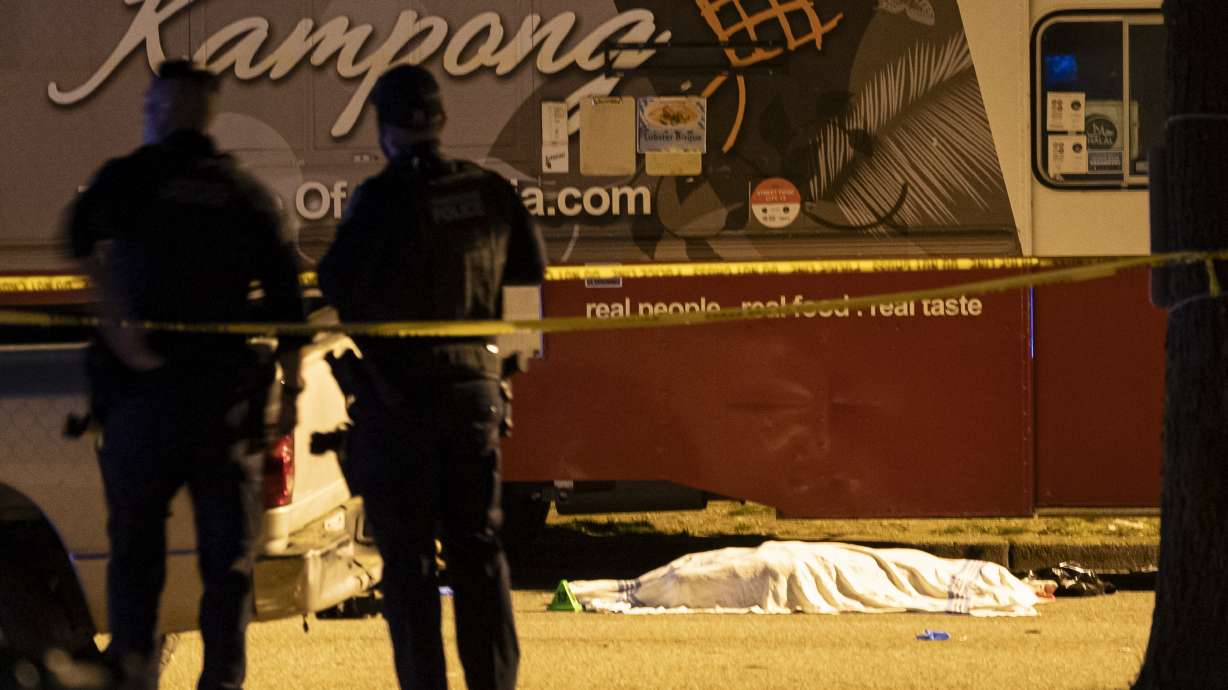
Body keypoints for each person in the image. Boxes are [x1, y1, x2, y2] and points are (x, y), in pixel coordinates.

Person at [66, 59, 306, 690]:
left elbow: (77, 245)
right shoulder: (245, 194)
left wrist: (120, 325)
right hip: (223, 409)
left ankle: (133, 674)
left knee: (136, 561)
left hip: (142, 404)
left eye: (151, 105)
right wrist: (291, 392)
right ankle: (222, 681)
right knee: (226, 565)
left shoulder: (128, 181)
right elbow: (289, 309)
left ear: (166, 111)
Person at [317, 64, 546, 690]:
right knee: (479, 552)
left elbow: (335, 282)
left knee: (411, 563)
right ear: (442, 121)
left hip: (401, 408)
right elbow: (528, 283)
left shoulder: (381, 200)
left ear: (384, 129)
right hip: (474, 396)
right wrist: (509, 368)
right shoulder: (491, 190)